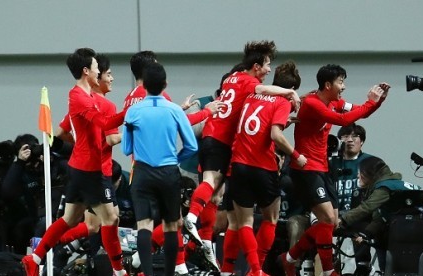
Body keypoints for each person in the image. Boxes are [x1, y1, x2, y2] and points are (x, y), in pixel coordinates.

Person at [183, 40, 300, 252]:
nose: (268, 69)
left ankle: (205, 243)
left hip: (213, 137)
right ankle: (191, 218)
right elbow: (263, 89)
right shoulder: (248, 81)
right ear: (256, 66)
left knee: (215, 196)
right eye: (266, 64)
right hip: (224, 143)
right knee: (214, 187)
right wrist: (287, 93)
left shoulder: (231, 78)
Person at [22, 48, 128, 276]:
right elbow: (103, 122)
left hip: (80, 167)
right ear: (86, 70)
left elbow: (64, 132)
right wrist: (130, 112)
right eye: (99, 69)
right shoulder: (79, 96)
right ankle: (120, 272)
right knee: (110, 218)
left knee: (70, 219)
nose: (102, 73)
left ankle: (34, 258)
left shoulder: (87, 95)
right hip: (91, 170)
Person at [278, 64, 390, 276]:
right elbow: (342, 121)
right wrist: (370, 102)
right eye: (341, 82)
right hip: (305, 169)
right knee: (328, 220)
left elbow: (357, 112)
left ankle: (289, 258)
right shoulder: (312, 103)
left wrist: (378, 101)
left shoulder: (334, 102)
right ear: (327, 84)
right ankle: (329, 271)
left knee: (330, 222)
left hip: (322, 169)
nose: (344, 87)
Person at [228, 61, 306, 276]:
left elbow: (257, 125)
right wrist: (296, 156)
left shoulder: (251, 95)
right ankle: (258, 269)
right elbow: (275, 136)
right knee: (271, 218)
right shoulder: (282, 102)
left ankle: (253, 270)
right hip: (262, 166)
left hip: (239, 164)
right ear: (292, 91)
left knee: (244, 221)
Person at [122, 62, 198, 276]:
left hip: (143, 173)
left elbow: (127, 148)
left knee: (144, 225)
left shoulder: (133, 111)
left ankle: (146, 273)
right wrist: (175, 158)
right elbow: (191, 145)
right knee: (171, 225)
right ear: (165, 84)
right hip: (168, 172)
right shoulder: (174, 110)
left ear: (144, 85)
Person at [338, 156, 423, 276]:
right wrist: (366, 234)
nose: (358, 176)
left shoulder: (384, 187)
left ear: (370, 174)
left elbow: (366, 208)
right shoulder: (392, 185)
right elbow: (380, 217)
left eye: (360, 173)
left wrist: (341, 220)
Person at [329, 123, 376, 275]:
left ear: (361, 141)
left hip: (359, 216)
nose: (350, 140)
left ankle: (363, 267)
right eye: (345, 136)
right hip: (333, 215)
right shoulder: (331, 163)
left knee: (363, 228)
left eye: (354, 136)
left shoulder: (371, 162)